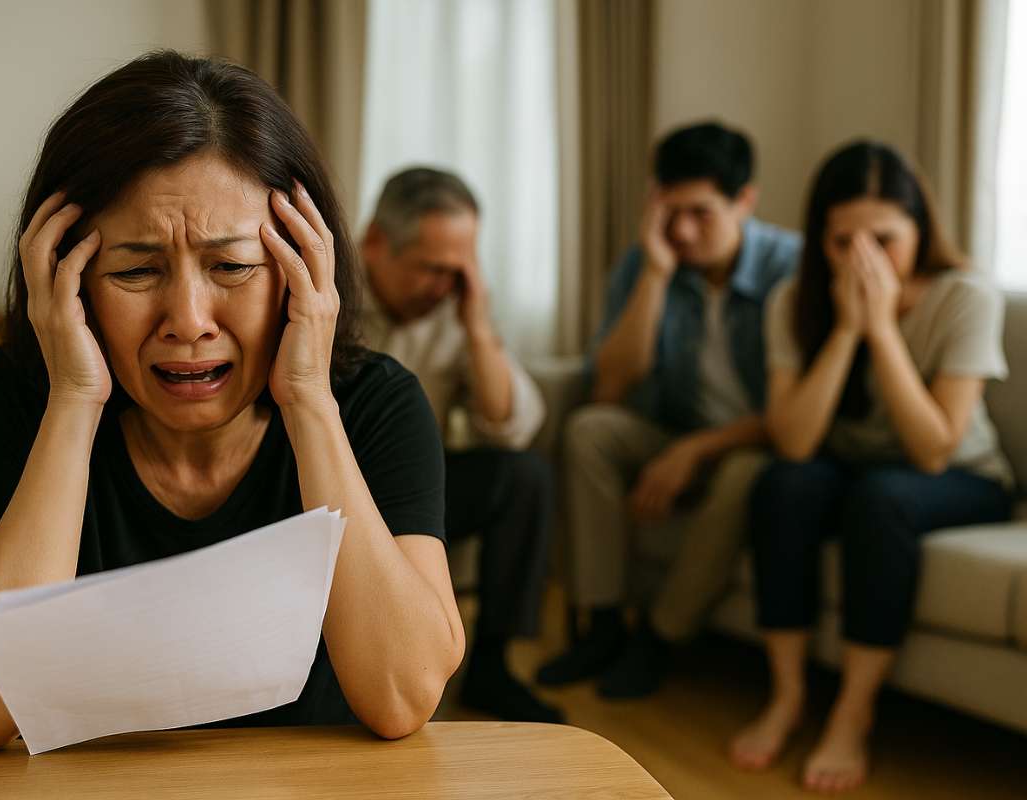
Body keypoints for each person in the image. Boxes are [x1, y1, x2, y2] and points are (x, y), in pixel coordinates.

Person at [0, 51, 465, 753]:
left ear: (302, 270)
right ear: (66, 281)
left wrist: (309, 402)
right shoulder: (13, 405)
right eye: (137, 270)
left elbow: (401, 694)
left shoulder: (375, 405)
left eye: (231, 267)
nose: (189, 319)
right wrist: (74, 401)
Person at [730, 140, 1014, 793]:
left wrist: (883, 328)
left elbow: (935, 448)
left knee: (881, 499)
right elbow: (795, 443)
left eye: (885, 239)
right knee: (783, 484)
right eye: (843, 241)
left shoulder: (966, 296)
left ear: (920, 231)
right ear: (819, 240)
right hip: (849, 467)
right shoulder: (790, 302)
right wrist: (844, 330)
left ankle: (852, 715)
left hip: (961, 478)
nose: (865, 258)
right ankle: (788, 696)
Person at [537, 122, 801, 697]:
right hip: (674, 432)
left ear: (745, 201)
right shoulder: (649, 260)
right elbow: (608, 388)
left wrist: (696, 450)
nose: (681, 230)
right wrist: (655, 275)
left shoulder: (793, 268)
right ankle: (601, 623)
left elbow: (797, 415)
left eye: (700, 213)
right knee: (590, 430)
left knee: (743, 473)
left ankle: (659, 637)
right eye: (670, 211)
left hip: (759, 443)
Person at [359, 167, 561, 723]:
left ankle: (493, 666)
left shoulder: (452, 312)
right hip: (320, 489)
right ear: (375, 243)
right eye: (432, 269)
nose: (444, 287)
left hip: (413, 493)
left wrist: (477, 326)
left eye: (458, 272)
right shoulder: (319, 290)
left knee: (524, 475)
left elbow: (511, 426)